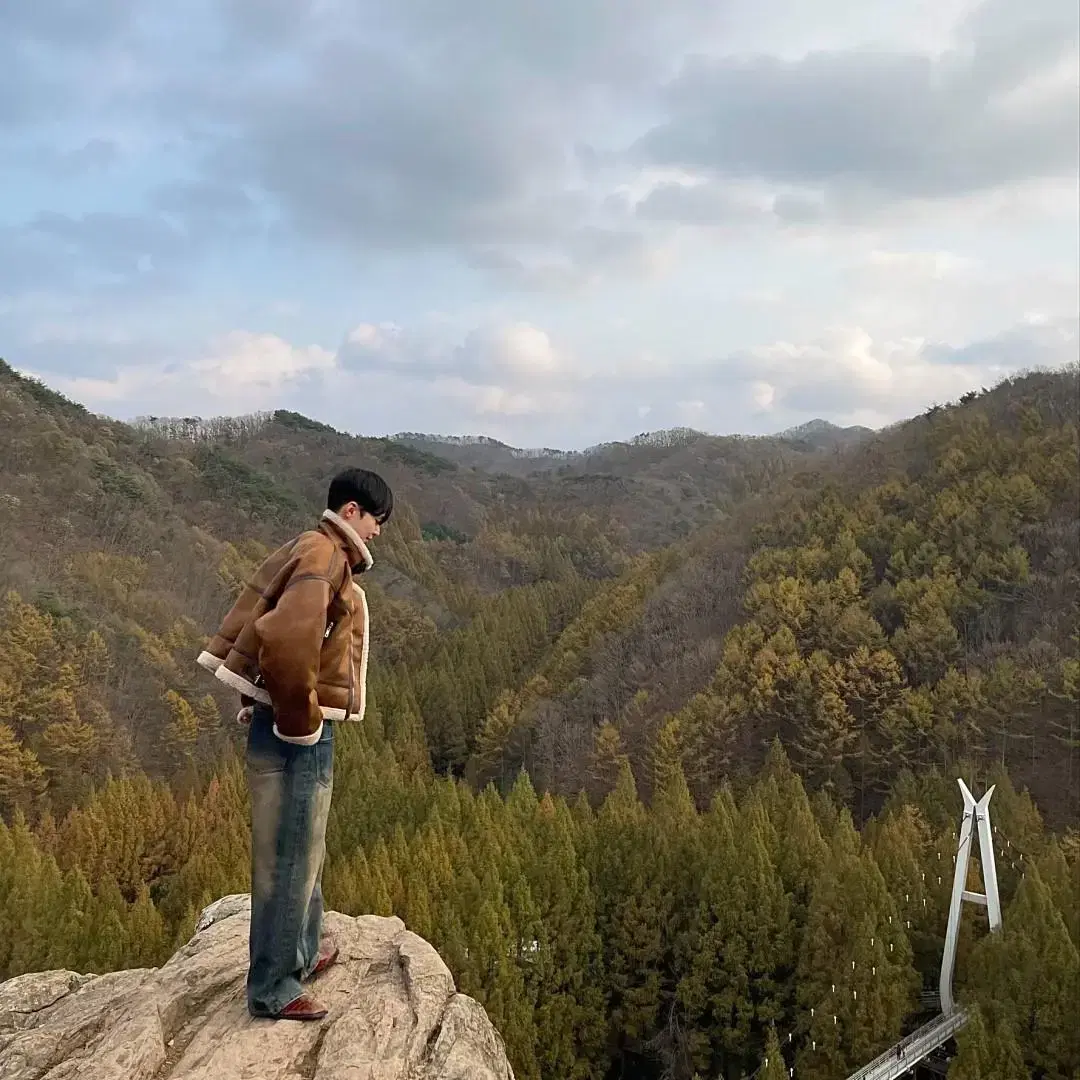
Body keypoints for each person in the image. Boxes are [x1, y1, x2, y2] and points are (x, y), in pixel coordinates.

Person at [196, 468, 392, 1021]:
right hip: (294, 734)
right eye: (378, 520)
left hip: (278, 720)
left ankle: (301, 953)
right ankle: (274, 987)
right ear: (352, 511)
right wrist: (299, 719)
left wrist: (263, 697)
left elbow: (263, 625)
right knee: (288, 858)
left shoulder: (311, 548)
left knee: (305, 850)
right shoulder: (326, 556)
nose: (378, 533)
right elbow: (284, 639)